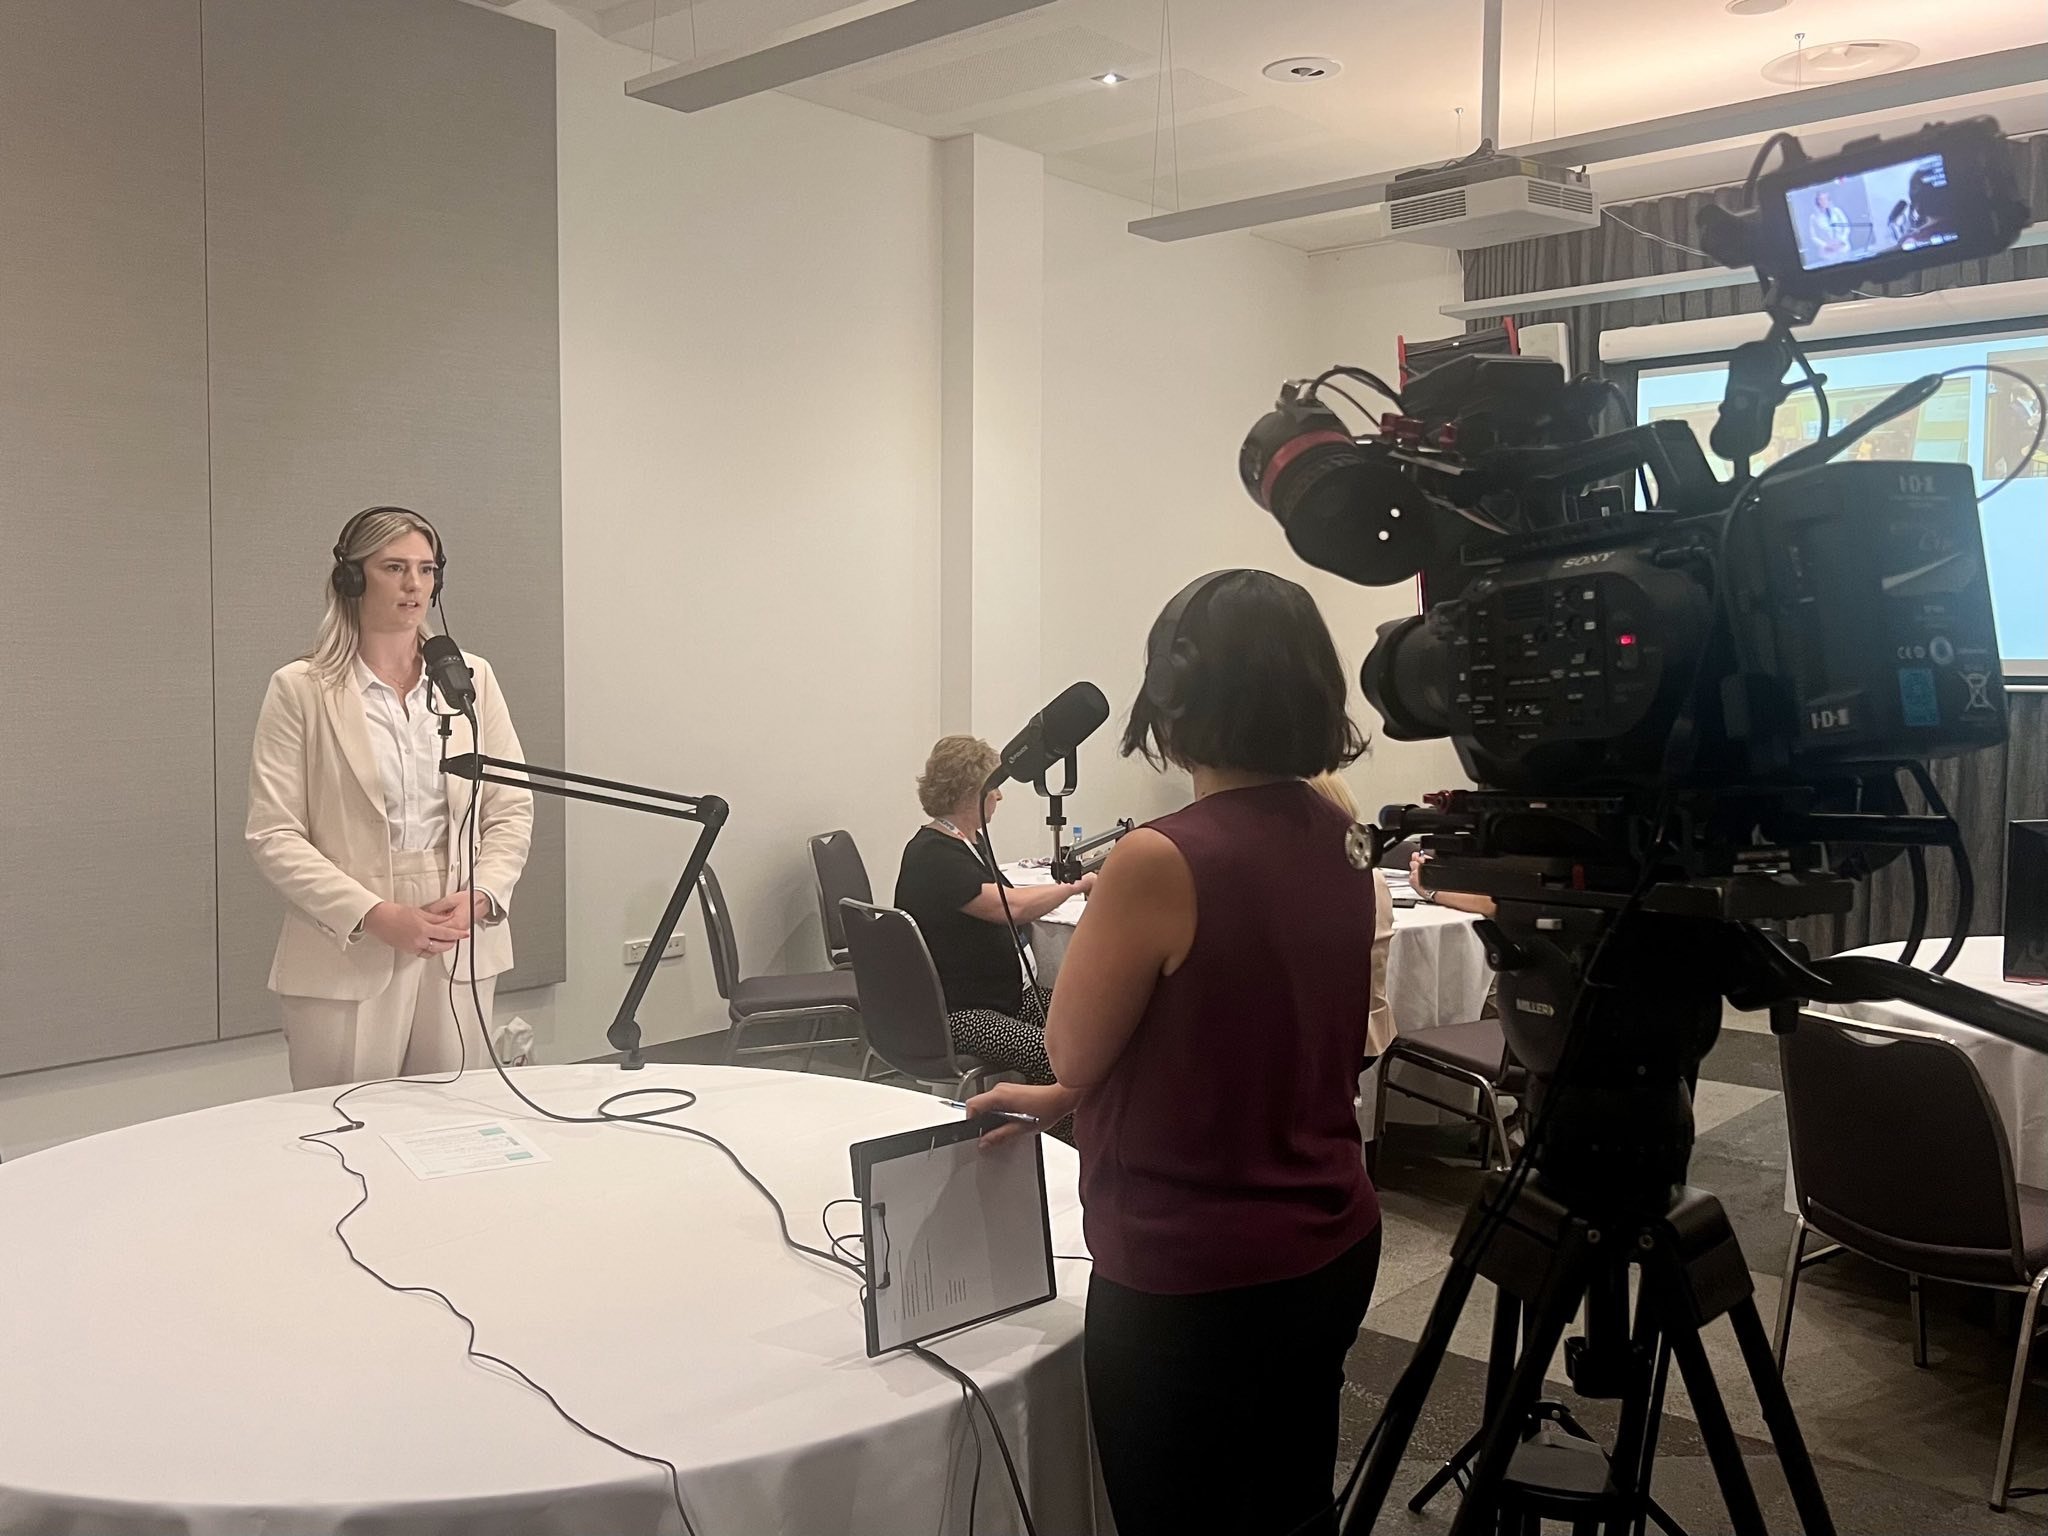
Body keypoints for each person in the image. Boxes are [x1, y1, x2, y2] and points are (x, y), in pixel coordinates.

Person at [971, 569, 1389, 1536]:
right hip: (1330, 1234)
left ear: (1173, 695)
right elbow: (1258, 1025)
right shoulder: (1345, 834)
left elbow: (1072, 1047)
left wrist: (1057, 1086)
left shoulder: (1158, 859)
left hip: (1191, 1272)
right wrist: (1056, 1097)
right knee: (1290, 1505)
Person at [247, 507, 532, 1091]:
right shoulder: (300, 688)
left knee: (455, 1118)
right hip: (346, 938)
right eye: (394, 567)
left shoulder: (469, 678)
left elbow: (509, 808)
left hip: (458, 930)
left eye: (427, 570)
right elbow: (273, 834)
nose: (414, 585)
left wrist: (483, 894)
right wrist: (374, 914)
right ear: (352, 579)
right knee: (348, 1126)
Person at [893, 735, 1093, 1080]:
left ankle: (1065, 1128)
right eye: (995, 787)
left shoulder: (969, 841)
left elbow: (1005, 895)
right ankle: (1054, 1132)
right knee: (1060, 1053)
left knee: (1091, 1023)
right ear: (973, 792)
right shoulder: (933, 856)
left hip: (1002, 997)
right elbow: (1009, 907)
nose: (1000, 795)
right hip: (959, 1014)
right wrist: (1077, 886)